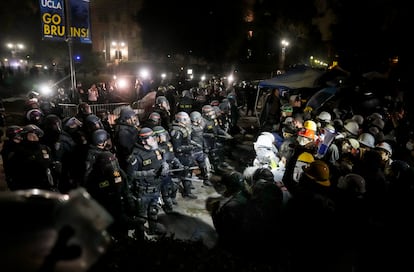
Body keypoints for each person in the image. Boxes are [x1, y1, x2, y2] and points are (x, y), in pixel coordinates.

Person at [126, 127, 168, 236]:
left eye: (154, 137)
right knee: (141, 216)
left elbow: (162, 160)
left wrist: (165, 165)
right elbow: (130, 175)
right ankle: (139, 236)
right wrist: (147, 173)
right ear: (143, 141)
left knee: (153, 212)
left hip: (155, 188)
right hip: (143, 191)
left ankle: (153, 230)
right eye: (151, 138)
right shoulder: (136, 156)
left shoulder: (156, 149)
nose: (155, 139)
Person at [170, 112, 198, 199]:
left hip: (186, 156)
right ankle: (172, 197)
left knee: (188, 174)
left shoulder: (183, 128)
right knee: (177, 177)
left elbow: (186, 140)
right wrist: (190, 147)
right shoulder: (176, 131)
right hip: (180, 157)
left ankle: (187, 191)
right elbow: (177, 148)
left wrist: (193, 144)